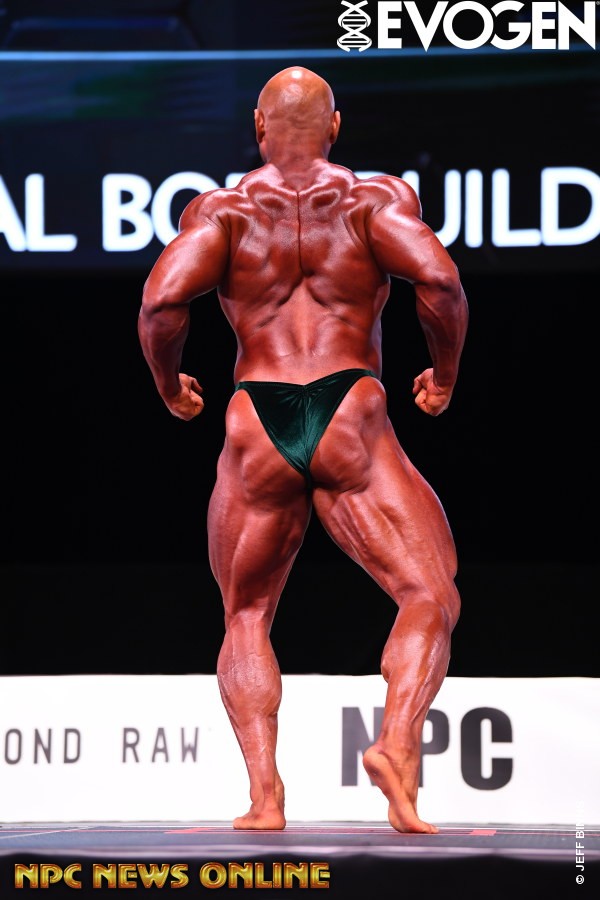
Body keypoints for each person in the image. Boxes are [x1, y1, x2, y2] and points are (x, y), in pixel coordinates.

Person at [138, 66, 468, 835]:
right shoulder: (375, 200)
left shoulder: (219, 212)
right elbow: (442, 282)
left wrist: (167, 384)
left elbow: (160, 300)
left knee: (247, 612)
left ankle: (265, 799)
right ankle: (395, 744)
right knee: (429, 594)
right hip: (349, 404)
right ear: (336, 127)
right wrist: (445, 373)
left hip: (256, 414)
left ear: (258, 127)